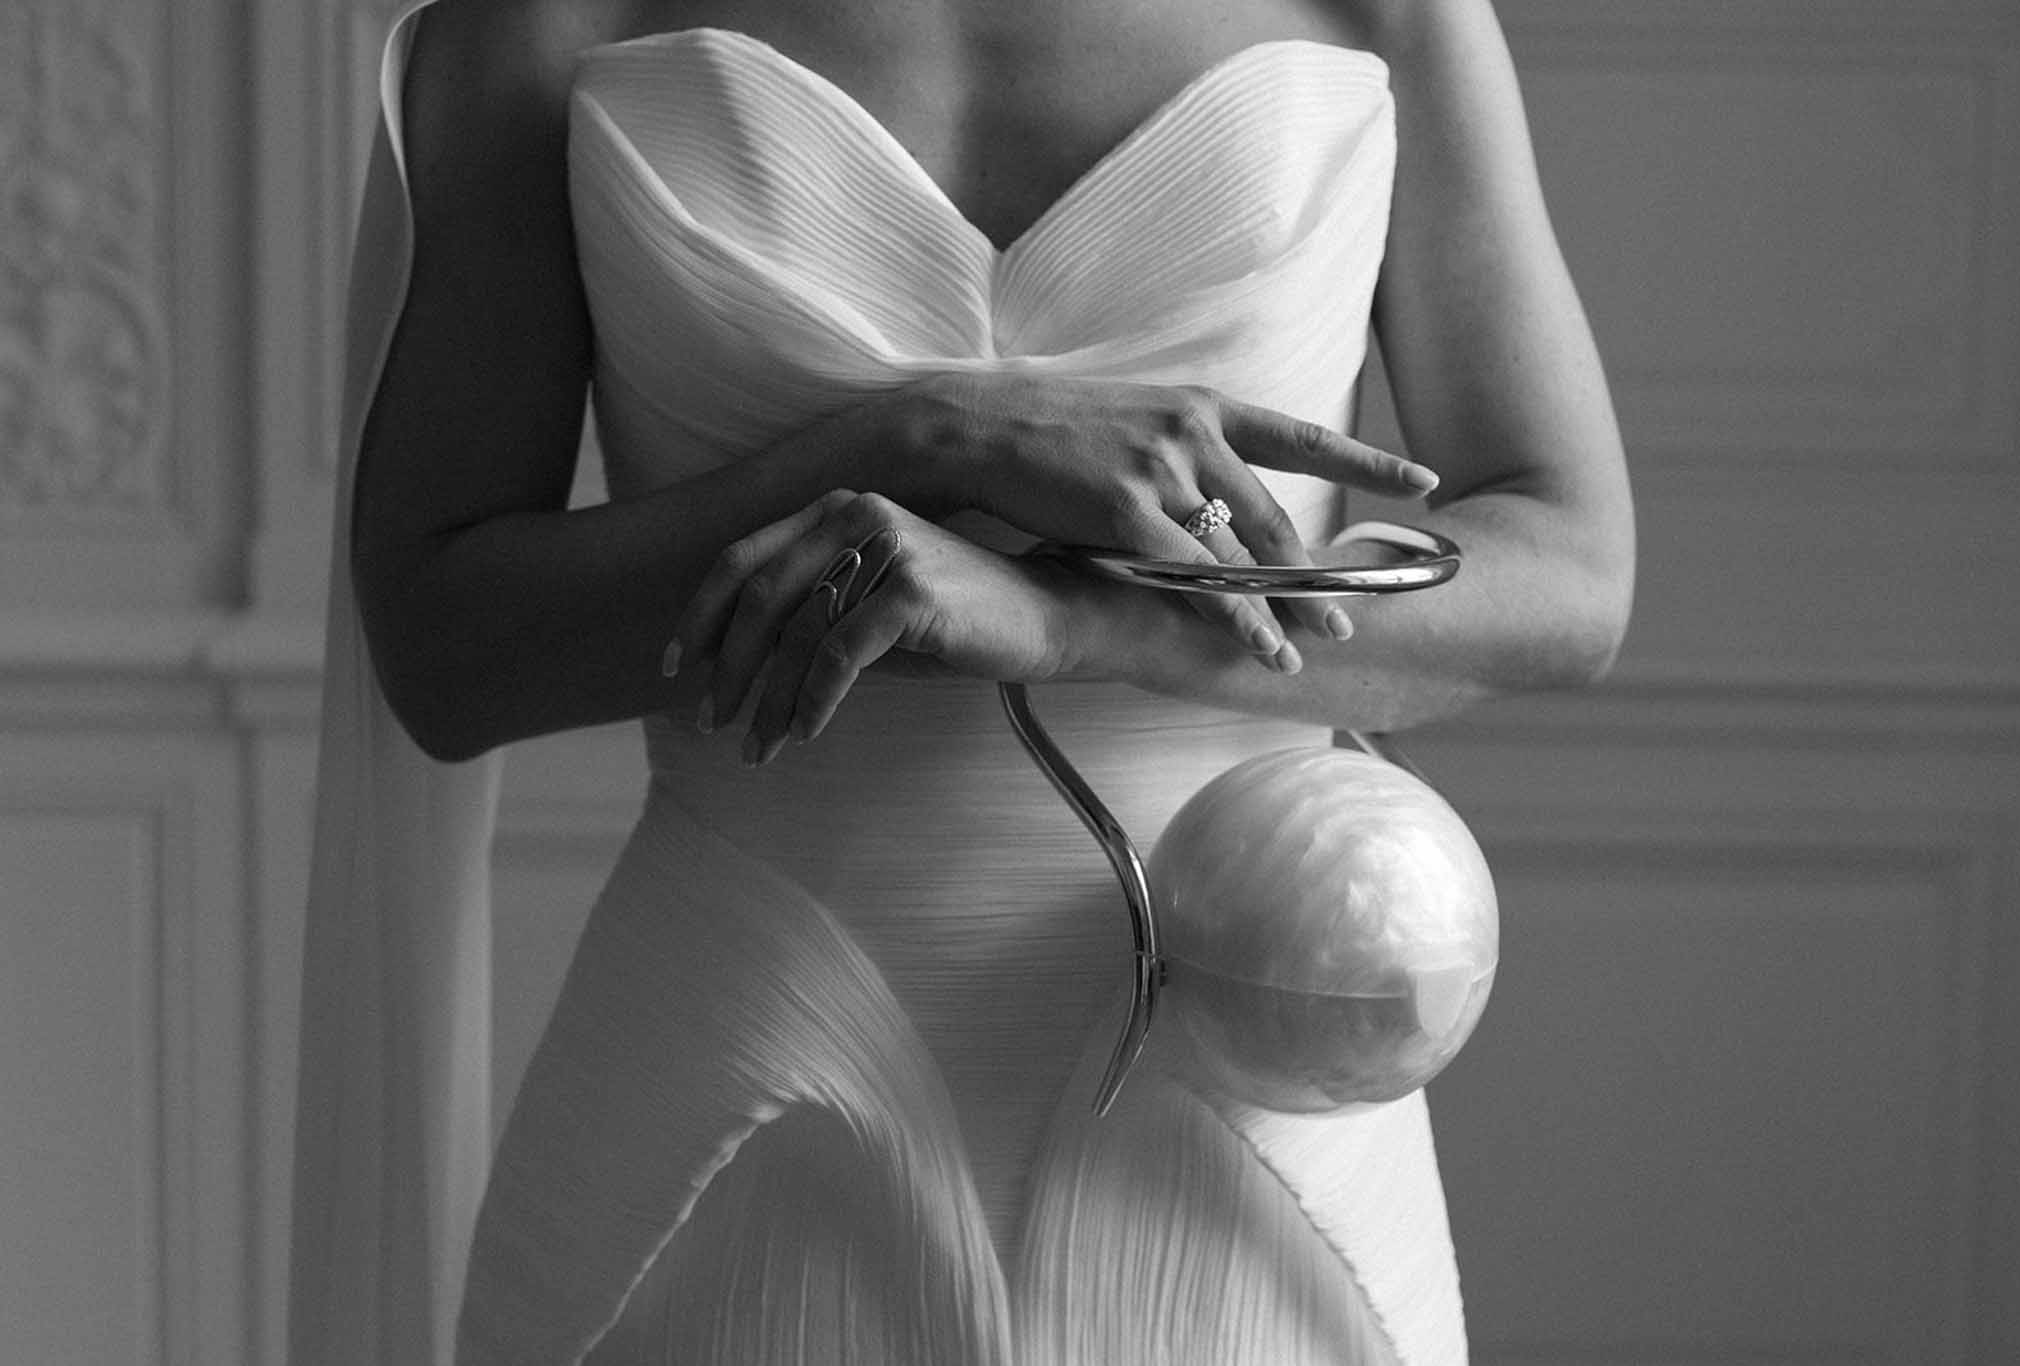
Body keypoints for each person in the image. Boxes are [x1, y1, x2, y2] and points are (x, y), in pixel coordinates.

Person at [289, 0, 1634, 1362]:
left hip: (1259, 1061)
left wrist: (1078, 620)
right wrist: (923, 437)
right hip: (739, 1079)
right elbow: (443, 651)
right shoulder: (540, 21)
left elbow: (1572, 569)